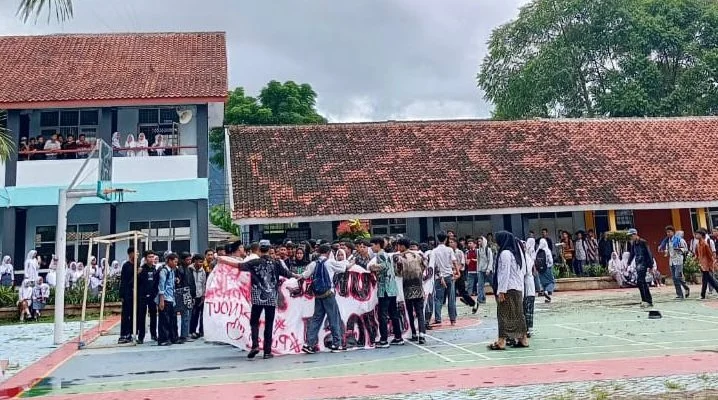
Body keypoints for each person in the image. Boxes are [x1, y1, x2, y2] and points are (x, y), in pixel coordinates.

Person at [221, 244, 298, 359]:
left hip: (257, 296)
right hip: (272, 296)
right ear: (269, 251)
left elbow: (238, 265)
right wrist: (300, 276)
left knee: (254, 321)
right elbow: (288, 274)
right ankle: (267, 351)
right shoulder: (276, 263)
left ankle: (255, 345)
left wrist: (223, 260)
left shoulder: (254, 262)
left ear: (259, 251)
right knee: (269, 323)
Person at [301, 244, 351, 354]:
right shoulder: (330, 262)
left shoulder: (314, 263)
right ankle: (336, 344)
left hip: (318, 295)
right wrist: (351, 262)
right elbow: (343, 268)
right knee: (334, 318)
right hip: (329, 294)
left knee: (316, 319)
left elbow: (304, 275)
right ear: (328, 252)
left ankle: (309, 344)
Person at [489, 231, 529, 350]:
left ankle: (501, 341)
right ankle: (523, 339)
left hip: (508, 289)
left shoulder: (505, 253)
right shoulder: (515, 253)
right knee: (518, 314)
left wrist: (501, 290)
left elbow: (504, 273)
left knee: (503, 315)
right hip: (517, 288)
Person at [368, 237, 404, 347]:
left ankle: (383, 340)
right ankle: (398, 337)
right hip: (392, 289)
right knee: (394, 314)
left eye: (372, 245)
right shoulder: (387, 255)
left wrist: (372, 267)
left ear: (378, 244)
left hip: (385, 290)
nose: (371, 247)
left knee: (382, 315)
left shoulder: (380, 255)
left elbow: (383, 267)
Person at [393, 238, 426, 344]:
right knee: (420, 312)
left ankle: (414, 333)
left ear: (402, 246)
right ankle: (422, 334)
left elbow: (398, 272)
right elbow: (424, 266)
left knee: (410, 312)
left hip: (407, 287)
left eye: (399, 246)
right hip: (418, 286)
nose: (398, 248)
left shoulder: (399, 257)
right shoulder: (418, 255)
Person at [429, 232, 458, 326]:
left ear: (438, 240)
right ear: (446, 240)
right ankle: (453, 319)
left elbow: (433, 265)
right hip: (449, 275)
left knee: (438, 299)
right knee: (451, 298)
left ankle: (438, 318)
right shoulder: (449, 249)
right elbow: (454, 261)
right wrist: (458, 271)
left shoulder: (434, 251)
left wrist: (440, 276)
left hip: (439, 277)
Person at [660, 225, 690, 299]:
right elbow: (667, 250)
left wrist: (679, 249)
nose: (668, 233)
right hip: (672, 261)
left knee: (678, 276)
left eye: (669, 232)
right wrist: (666, 252)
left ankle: (686, 288)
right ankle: (679, 294)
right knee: (674, 278)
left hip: (679, 260)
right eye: (667, 232)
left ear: (673, 232)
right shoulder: (667, 241)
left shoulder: (679, 240)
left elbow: (685, 249)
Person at [156, 253, 179, 346]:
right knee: (164, 320)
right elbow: (161, 287)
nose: (176, 263)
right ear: (169, 260)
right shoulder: (164, 271)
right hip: (165, 299)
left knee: (173, 319)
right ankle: (163, 339)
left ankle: (172, 337)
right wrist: (161, 300)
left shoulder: (172, 271)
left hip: (171, 298)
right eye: (174, 261)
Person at [627, 228, 654, 308]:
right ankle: (647, 300)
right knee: (642, 282)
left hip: (643, 264)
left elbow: (649, 254)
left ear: (635, 234)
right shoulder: (633, 244)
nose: (631, 237)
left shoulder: (643, 242)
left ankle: (646, 300)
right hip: (638, 263)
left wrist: (650, 266)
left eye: (631, 236)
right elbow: (632, 254)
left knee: (640, 281)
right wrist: (628, 262)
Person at [450, 237, 477, 314]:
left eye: (452, 242)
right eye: (450, 242)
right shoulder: (449, 252)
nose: (451, 243)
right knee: (452, 292)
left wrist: (457, 271)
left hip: (459, 273)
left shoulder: (460, 252)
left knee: (462, 291)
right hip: (452, 273)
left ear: (456, 243)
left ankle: (472, 303)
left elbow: (462, 264)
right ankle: (453, 311)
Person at [136, 251, 158, 344]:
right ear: (145, 259)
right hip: (142, 296)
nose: (151, 259)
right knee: (141, 316)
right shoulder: (141, 270)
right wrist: (137, 274)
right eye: (149, 257)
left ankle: (154, 334)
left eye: (153, 257)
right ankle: (141, 336)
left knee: (154, 315)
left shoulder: (155, 269)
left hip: (152, 296)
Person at [176, 252, 196, 343]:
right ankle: (184, 335)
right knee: (185, 315)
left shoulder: (190, 269)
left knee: (188, 315)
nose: (189, 261)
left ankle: (186, 334)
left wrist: (193, 294)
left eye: (190, 259)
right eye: (187, 259)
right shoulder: (180, 270)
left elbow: (192, 282)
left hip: (189, 293)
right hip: (183, 293)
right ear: (183, 260)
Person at [118, 247, 137, 344]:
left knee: (133, 314)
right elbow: (124, 281)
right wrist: (122, 294)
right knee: (126, 315)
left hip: (135, 294)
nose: (137, 255)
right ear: (130, 254)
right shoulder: (126, 266)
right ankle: (123, 334)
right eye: (135, 253)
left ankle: (131, 333)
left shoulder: (136, 265)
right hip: (127, 293)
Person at [695, 230, 718, 300]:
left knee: (705, 280)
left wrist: (712, 263)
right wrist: (696, 259)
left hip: (706, 264)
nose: (696, 235)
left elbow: (710, 254)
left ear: (701, 235)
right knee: (709, 279)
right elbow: (697, 254)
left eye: (698, 234)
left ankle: (702, 295)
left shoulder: (705, 244)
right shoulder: (698, 244)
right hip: (702, 264)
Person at [190, 254, 207, 339]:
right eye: (199, 262)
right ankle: (191, 331)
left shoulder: (203, 271)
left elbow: (203, 284)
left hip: (200, 296)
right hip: (191, 296)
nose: (201, 263)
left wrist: (203, 295)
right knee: (192, 314)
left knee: (199, 314)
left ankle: (198, 331)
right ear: (195, 261)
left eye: (202, 262)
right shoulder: (190, 270)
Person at [536, 238, 554, 303]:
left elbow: (535, 259)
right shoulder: (547, 250)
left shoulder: (538, 250)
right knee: (551, 282)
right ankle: (547, 292)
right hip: (547, 268)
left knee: (543, 283)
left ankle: (547, 298)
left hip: (540, 270)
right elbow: (550, 260)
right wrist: (550, 265)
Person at [476, 236, 494, 304]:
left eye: (480, 241)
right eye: (478, 241)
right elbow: (478, 260)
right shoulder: (478, 250)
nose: (479, 242)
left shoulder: (488, 249)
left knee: (492, 284)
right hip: (481, 270)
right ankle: (481, 299)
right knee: (480, 285)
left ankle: (497, 295)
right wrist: (478, 269)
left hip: (488, 270)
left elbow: (490, 260)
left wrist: (488, 269)